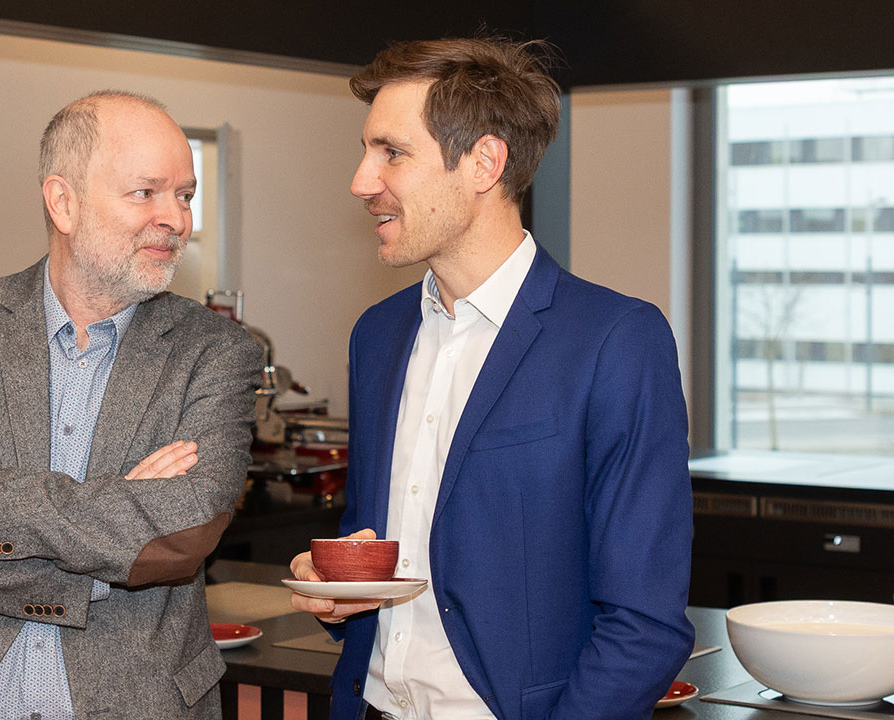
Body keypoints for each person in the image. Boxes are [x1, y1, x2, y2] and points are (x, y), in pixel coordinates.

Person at [288, 38, 694, 720]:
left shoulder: (616, 340)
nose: (361, 181)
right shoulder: (378, 335)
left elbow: (644, 623)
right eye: (366, 151)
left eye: (392, 152)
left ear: (484, 162)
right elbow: (374, 542)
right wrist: (337, 584)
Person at [0, 90, 263, 720]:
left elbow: (181, 536)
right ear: (63, 202)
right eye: (145, 192)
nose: (176, 219)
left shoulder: (218, 350)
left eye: (184, 195)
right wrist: (108, 541)